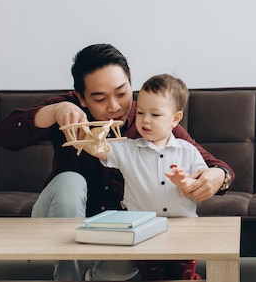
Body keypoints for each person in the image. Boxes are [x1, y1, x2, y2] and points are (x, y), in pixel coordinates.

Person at [0, 44, 234, 281]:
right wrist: (53, 111)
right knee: (70, 180)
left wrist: (218, 177)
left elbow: (211, 163)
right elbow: (4, 136)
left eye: (122, 93)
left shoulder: (150, 120)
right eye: (100, 98)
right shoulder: (67, 110)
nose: (115, 106)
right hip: (61, 221)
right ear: (81, 98)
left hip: (119, 232)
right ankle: (69, 276)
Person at [77, 73, 206, 281]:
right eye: (141, 112)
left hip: (184, 230)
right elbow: (97, 149)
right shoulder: (128, 149)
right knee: (152, 276)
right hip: (145, 230)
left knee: (182, 276)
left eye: (155, 115)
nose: (145, 120)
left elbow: (200, 181)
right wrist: (86, 134)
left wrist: (186, 182)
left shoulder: (188, 151)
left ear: (175, 119)